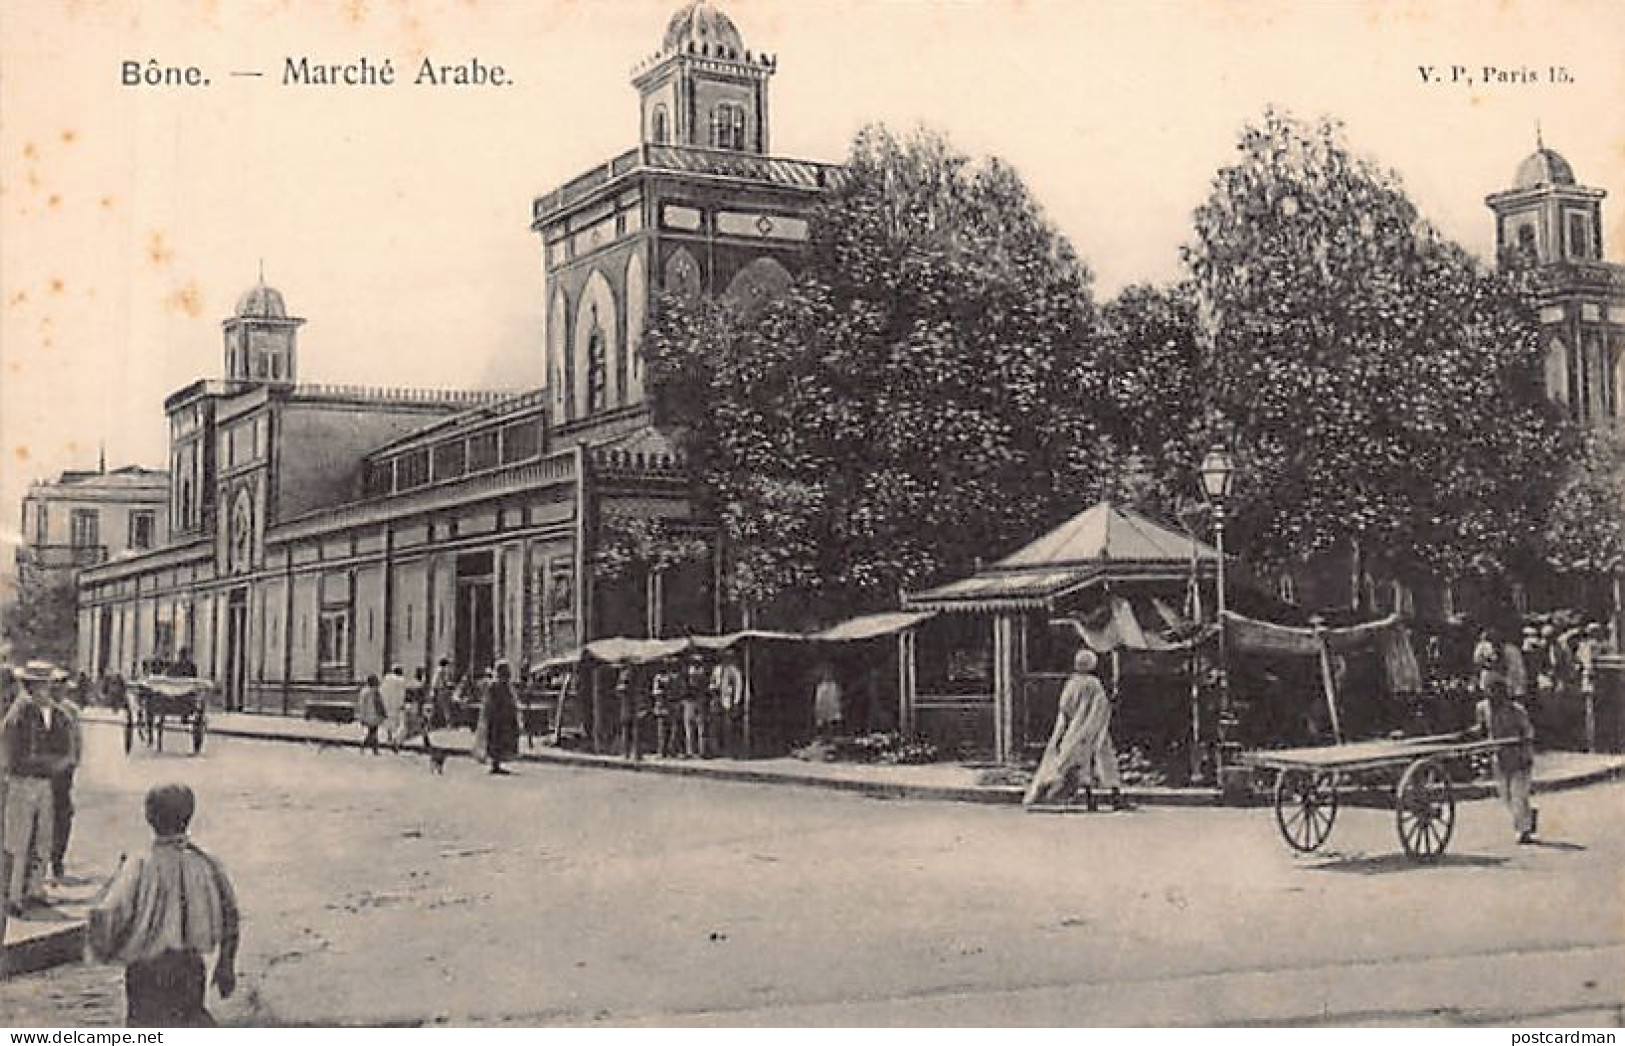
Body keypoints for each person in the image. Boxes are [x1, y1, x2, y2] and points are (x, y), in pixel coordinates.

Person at [89, 782, 239, 1027]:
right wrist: (226, 964)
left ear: (149, 816)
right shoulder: (206, 862)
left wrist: (105, 949)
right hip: (189, 965)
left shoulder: (139, 863)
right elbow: (230, 913)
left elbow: (110, 912)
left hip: (147, 968)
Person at [2, 661, 75, 915]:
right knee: (19, 840)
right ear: (32, 686)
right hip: (24, 782)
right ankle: (13, 896)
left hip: (44, 783)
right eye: (44, 685)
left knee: (43, 837)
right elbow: (14, 756)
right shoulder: (20, 713)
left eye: (50, 684)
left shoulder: (52, 713)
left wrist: (56, 763)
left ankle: (35, 889)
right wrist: (51, 763)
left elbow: (64, 749)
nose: (49, 689)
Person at [1024, 649, 1126, 811]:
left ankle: (1090, 798)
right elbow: (1101, 707)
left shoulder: (1071, 683)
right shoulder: (1094, 684)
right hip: (1095, 728)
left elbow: (1064, 707)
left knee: (1081, 764)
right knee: (1105, 762)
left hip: (1075, 728)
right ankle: (1115, 797)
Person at [1468, 675, 1537, 843]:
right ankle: (1528, 816)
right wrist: (1471, 733)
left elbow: (1528, 732)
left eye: (1496, 692)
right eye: (1489, 692)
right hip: (1498, 757)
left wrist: (1525, 750)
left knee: (1517, 795)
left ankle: (1523, 831)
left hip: (1519, 758)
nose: (1492, 697)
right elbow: (1482, 728)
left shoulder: (1517, 710)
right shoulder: (1483, 708)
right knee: (1505, 797)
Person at [47, 668, 84, 882]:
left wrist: (73, 763)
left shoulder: (71, 710)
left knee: (63, 813)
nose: (57, 689)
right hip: (44, 771)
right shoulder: (39, 709)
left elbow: (77, 741)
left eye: (61, 685)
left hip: (64, 772)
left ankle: (57, 859)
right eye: (53, 685)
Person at [478, 661, 521, 775]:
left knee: (502, 741)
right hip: (497, 719)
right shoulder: (494, 685)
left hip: (504, 718)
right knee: (495, 741)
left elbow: (511, 701)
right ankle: (495, 764)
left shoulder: (506, 685)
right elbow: (489, 703)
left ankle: (497, 763)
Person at [710, 652, 745, 758]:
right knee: (716, 726)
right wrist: (713, 688)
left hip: (728, 701)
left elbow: (738, 687)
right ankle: (716, 750)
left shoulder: (734, 671)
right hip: (717, 699)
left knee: (729, 726)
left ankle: (730, 751)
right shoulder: (717, 669)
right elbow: (712, 682)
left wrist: (736, 702)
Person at [680, 654, 708, 758]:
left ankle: (700, 751)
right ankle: (692, 751)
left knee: (698, 727)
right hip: (691, 701)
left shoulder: (700, 673)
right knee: (691, 728)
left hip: (697, 701)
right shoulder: (689, 673)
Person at [379, 665, 409, 751]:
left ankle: (389, 737)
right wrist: (402, 703)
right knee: (398, 723)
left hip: (386, 703)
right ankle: (395, 739)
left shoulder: (386, 678)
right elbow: (402, 693)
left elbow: (381, 691)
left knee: (388, 721)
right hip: (396, 704)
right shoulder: (401, 680)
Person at [355, 674, 385, 755]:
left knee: (373, 732)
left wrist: (361, 716)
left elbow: (361, 705)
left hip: (370, 715)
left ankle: (372, 749)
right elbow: (379, 704)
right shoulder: (373, 691)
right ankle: (368, 747)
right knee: (373, 732)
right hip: (372, 715)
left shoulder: (365, 691)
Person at [616, 666, 642, 762]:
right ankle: (628, 753)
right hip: (628, 707)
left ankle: (633, 753)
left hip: (631, 707)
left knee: (633, 731)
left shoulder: (632, 678)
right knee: (629, 730)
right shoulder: (627, 676)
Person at [650, 665, 676, 757]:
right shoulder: (658, 678)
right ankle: (662, 750)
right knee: (662, 729)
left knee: (672, 729)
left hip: (670, 704)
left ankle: (671, 750)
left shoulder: (672, 677)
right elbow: (656, 692)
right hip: (661, 705)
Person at [813, 665, 843, 738]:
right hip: (823, 709)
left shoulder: (834, 685)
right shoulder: (821, 687)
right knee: (823, 722)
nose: (827, 676)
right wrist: (818, 709)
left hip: (832, 708)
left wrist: (838, 706)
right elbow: (819, 699)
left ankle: (834, 736)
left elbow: (837, 697)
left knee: (833, 721)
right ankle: (822, 736)